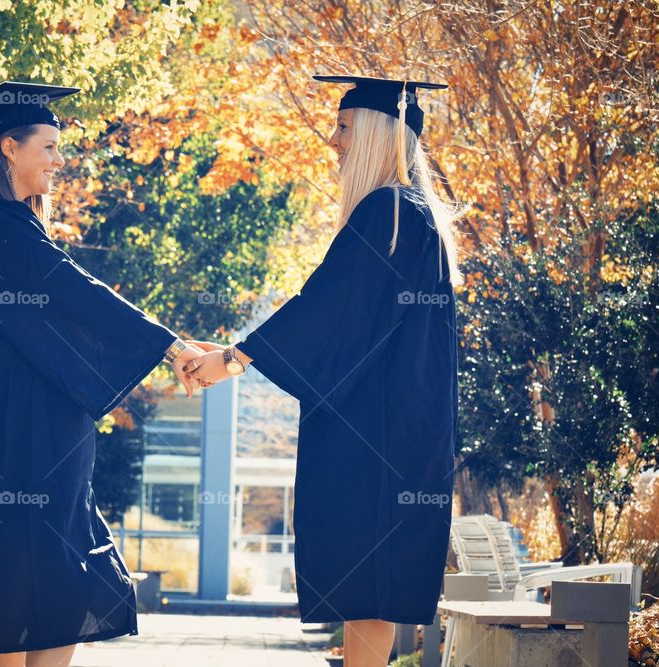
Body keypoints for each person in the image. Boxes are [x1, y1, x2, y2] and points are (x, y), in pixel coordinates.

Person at [0, 81, 205, 667]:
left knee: (60, 571)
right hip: (2, 443)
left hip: (40, 438)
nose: (59, 160)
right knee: (10, 576)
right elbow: (73, 293)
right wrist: (169, 346)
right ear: (8, 148)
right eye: (48, 146)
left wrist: (167, 347)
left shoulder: (11, 223)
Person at [185, 75, 465, 667]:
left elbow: (328, 308)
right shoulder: (418, 218)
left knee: (367, 589)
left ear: (374, 134)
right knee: (373, 596)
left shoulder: (388, 213)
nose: (332, 141)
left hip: (374, 441)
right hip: (402, 437)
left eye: (343, 128)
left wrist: (232, 360)